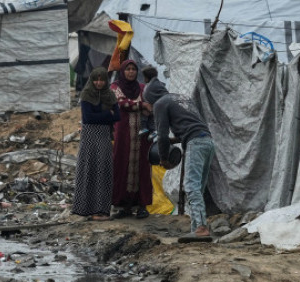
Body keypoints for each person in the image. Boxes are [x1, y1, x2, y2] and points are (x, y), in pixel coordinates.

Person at [148, 89, 216, 241]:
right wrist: (176, 140)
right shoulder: (181, 99)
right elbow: (191, 125)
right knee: (198, 187)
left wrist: (164, 159)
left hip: (195, 143)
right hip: (208, 141)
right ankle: (196, 229)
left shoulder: (159, 104)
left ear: (151, 99)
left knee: (191, 186)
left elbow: (162, 135)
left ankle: (201, 228)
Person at [71, 67, 120, 220]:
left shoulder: (110, 95)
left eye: (102, 79)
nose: (99, 83)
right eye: (96, 80)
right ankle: (85, 209)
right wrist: (107, 114)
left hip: (104, 137)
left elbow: (117, 116)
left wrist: (104, 116)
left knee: (103, 171)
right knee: (89, 170)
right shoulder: (86, 94)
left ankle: (101, 210)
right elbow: (88, 118)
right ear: (92, 80)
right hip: (89, 139)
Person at [110, 60, 153, 218]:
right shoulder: (115, 87)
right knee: (121, 165)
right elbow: (121, 103)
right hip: (123, 135)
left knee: (142, 167)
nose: (131, 72)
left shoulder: (142, 88)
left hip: (141, 135)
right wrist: (142, 106)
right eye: (127, 69)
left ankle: (142, 205)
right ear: (122, 71)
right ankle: (124, 206)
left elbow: (151, 103)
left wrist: (146, 106)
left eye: (133, 69)